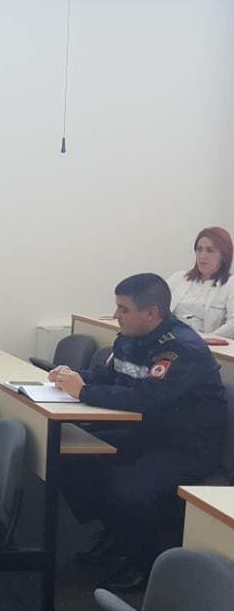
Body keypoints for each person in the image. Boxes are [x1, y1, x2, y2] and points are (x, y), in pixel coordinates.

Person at [51, 273, 225, 591]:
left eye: (124, 309)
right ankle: (118, 534)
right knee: (71, 454)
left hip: (188, 447)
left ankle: (145, 564)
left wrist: (84, 392)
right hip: (148, 435)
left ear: (151, 313)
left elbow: (148, 399)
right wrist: (71, 377)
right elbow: (109, 376)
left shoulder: (181, 348)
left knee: (127, 487)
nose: (116, 315)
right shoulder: (129, 337)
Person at [167, 226, 234, 338]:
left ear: (224, 256)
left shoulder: (230, 284)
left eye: (210, 250)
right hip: (170, 339)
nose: (202, 256)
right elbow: (158, 312)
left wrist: (206, 340)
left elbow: (232, 324)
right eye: (199, 249)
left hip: (207, 344)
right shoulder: (178, 278)